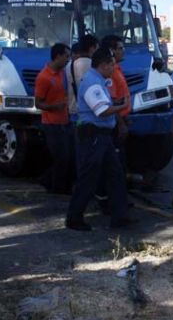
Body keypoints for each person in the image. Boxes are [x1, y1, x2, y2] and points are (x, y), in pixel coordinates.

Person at [66, 48, 132, 231]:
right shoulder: (92, 83)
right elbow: (101, 110)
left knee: (115, 175)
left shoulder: (98, 80)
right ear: (103, 65)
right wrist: (123, 106)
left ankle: (120, 217)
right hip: (93, 136)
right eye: (111, 64)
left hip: (101, 136)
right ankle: (74, 217)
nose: (114, 67)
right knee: (89, 178)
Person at [96, 35, 132, 202]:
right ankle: (110, 200)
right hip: (114, 124)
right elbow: (110, 102)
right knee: (114, 166)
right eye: (120, 48)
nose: (123, 51)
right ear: (112, 51)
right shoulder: (110, 74)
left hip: (121, 119)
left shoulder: (117, 70)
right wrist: (121, 123)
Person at [35, 43, 72, 194]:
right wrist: (53, 107)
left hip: (64, 121)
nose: (68, 60)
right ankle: (56, 187)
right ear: (57, 56)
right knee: (61, 157)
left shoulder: (62, 73)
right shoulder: (44, 77)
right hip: (51, 124)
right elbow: (38, 103)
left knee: (67, 156)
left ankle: (50, 182)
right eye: (66, 56)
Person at [67, 35, 100, 119]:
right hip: (91, 114)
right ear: (92, 48)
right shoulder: (95, 65)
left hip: (74, 112)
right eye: (97, 48)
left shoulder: (68, 66)